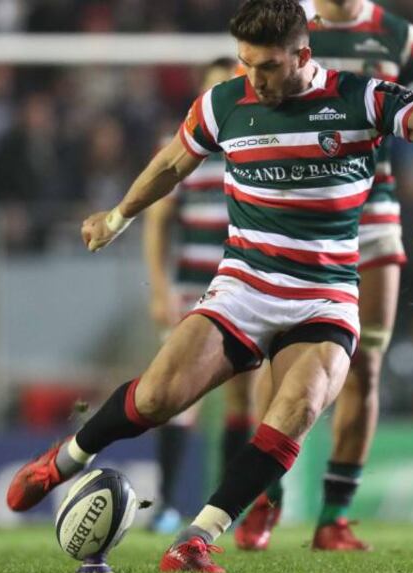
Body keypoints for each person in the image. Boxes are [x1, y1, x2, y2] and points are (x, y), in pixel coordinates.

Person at [7, 0, 413, 571]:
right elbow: (172, 164)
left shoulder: (361, 98)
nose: (254, 78)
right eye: (246, 64)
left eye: (268, 67)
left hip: (323, 296)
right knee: (157, 397)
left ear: (303, 54)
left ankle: (197, 539)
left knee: (297, 404)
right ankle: (64, 459)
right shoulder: (224, 102)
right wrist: (117, 217)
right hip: (244, 288)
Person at [234, 0, 413, 552]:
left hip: (372, 214)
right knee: (280, 363)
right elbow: (242, 94)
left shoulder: (398, 36)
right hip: (291, 211)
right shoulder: (287, 21)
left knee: (366, 367)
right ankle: (265, 495)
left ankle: (333, 517)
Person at [142, 57, 257, 534]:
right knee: (177, 398)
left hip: (247, 290)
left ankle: (224, 510)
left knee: (241, 401)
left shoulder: (255, 146)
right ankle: (168, 504)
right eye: (214, 88)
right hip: (193, 291)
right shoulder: (184, 148)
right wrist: (159, 287)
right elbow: (157, 220)